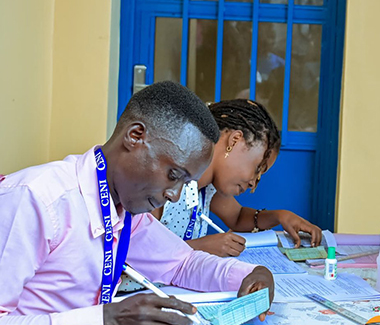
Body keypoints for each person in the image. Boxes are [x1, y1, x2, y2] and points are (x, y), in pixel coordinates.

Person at [0, 81, 274, 324]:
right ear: (135, 136)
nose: (175, 195)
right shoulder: (36, 200)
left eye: (184, 183)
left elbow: (181, 264)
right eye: (173, 175)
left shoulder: (123, 207)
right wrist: (104, 319)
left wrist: (251, 274)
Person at [154, 98, 322, 254]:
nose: (253, 185)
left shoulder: (206, 188)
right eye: (257, 169)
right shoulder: (163, 183)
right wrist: (200, 248)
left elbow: (238, 217)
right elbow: (136, 253)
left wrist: (280, 216)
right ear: (234, 140)